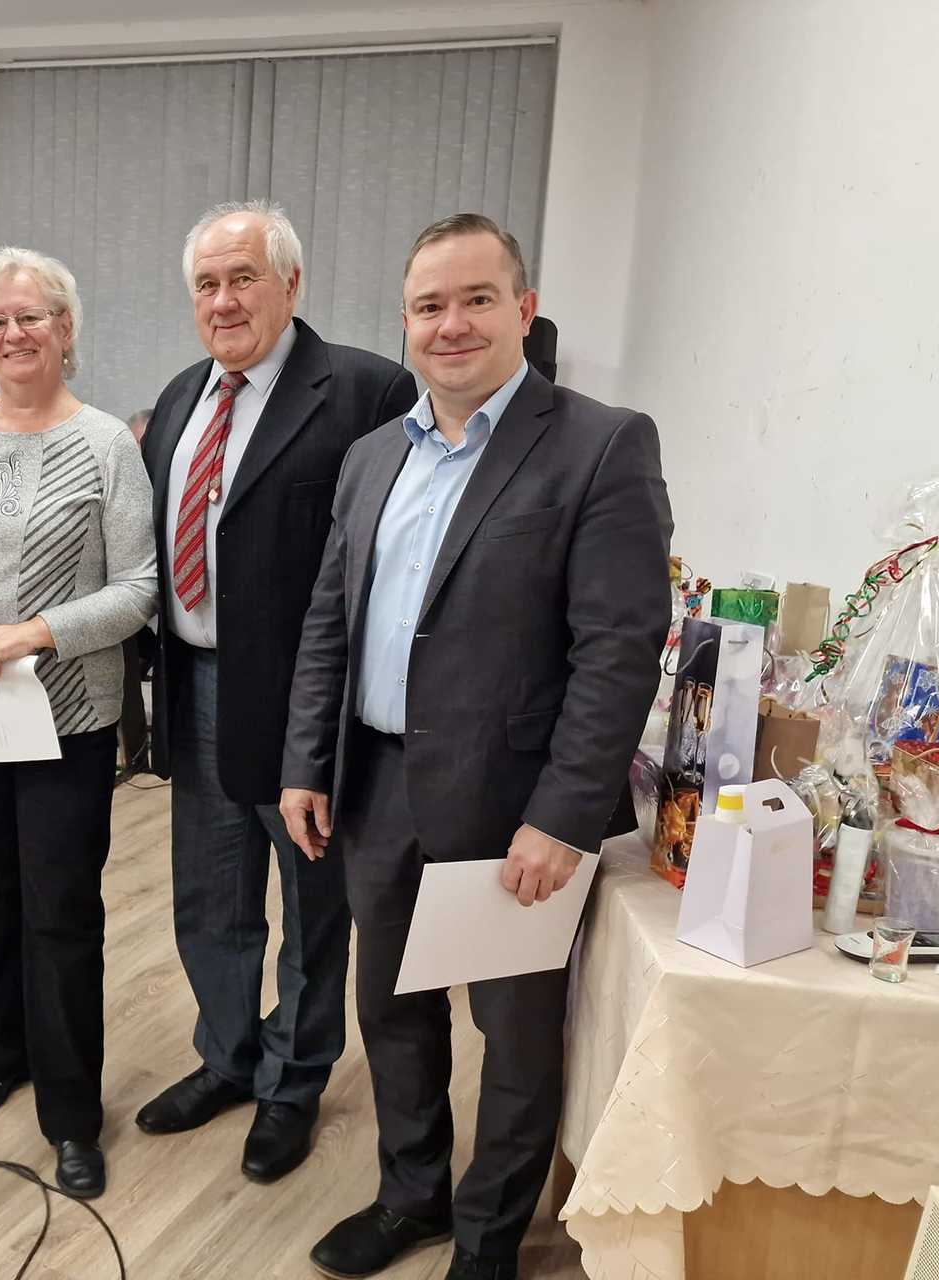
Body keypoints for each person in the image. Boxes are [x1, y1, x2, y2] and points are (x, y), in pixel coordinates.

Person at [278, 214, 672, 1280]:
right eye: (428, 305)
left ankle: (489, 1239)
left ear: (523, 309)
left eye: (476, 299)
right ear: (404, 321)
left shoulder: (599, 443)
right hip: (375, 786)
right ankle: (412, 1197)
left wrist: (562, 814)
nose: (450, 324)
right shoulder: (371, 456)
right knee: (390, 1009)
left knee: (513, 1033)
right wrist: (306, 760)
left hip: (511, 804)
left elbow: (617, 651)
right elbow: (329, 619)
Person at [134, 200, 418, 1183]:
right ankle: (227, 1056)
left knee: (311, 907)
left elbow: (386, 561)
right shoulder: (179, 397)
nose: (223, 300)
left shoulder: (367, 390)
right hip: (194, 685)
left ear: (291, 284)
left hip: (304, 705)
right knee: (209, 898)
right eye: (206, 284)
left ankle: (292, 1083)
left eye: (243, 277)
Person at [0, 247, 155, 1199]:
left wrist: (38, 631)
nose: (13, 334)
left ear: (65, 329)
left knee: (59, 914)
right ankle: (0, 1051)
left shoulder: (107, 444)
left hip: (66, 715)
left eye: (31, 316)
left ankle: (71, 1112)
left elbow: (138, 589)